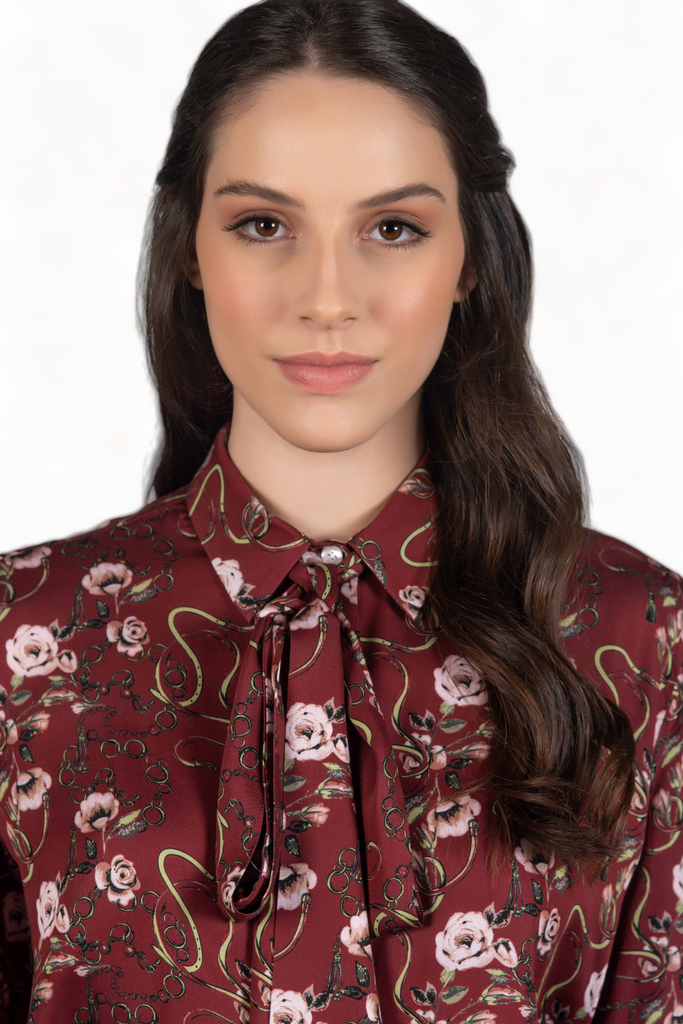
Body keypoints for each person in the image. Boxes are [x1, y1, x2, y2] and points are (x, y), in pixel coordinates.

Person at [0, 0, 681, 1020]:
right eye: (263, 224)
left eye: (392, 228)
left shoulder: (640, 635)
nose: (326, 297)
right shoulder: (24, 638)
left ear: (469, 259)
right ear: (191, 248)